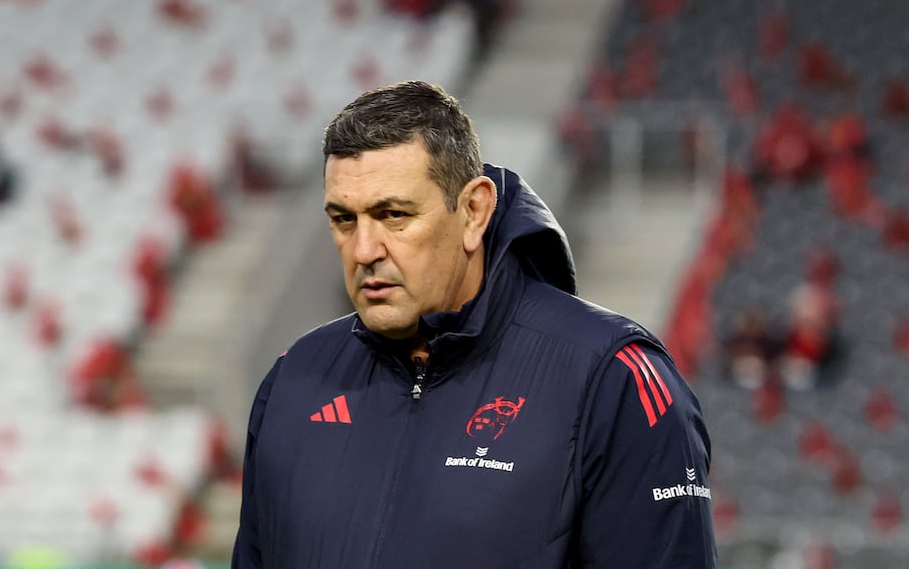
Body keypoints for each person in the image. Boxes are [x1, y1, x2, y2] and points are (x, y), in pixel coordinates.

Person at [232, 81, 716, 568]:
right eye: (343, 219)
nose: (364, 251)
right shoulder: (293, 380)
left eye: (394, 215)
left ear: (473, 211)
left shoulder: (612, 379)